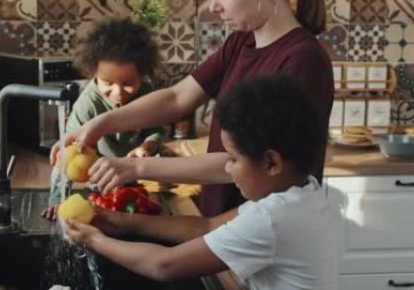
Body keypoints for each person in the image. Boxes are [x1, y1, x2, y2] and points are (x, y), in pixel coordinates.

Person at [55, 0, 334, 217]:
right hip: (226, 225)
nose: (214, 5)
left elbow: (244, 162)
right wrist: (100, 124)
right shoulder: (241, 42)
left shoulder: (304, 60)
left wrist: (136, 166)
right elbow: (177, 98)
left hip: (267, 234)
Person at [63, 75, 338, 290]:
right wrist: (123, 222)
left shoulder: (272, 219)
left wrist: (95, 241)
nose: (226, 168)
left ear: (271, 163)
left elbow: (163, 265)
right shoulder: (303, 194)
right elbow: (204, 227)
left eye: (233, 158)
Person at [41, 17, 163, 220]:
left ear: (143, 73)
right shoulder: (87, 104)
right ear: (93, 73)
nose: (118, 92)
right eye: (107, 82)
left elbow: (157, 130)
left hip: (136, 180)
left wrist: (147, 147)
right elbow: (66, 155)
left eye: (129, 83)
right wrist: (57, 199)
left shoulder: (148, 93)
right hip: (98, 185)